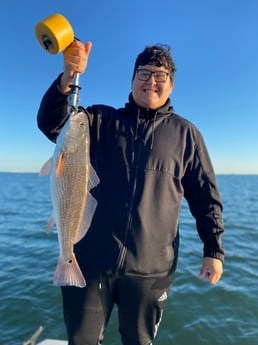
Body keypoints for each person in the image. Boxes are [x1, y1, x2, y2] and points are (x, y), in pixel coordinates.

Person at [37, 41, 224, 345]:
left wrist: (213, 249)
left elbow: (205, 198)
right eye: (144, 73)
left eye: (160, 76)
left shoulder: (186, 135)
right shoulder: (98, 121)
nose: (151, 81)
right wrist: (68, 77)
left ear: (171, 85)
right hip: (89, 262)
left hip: (150, 272)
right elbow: (51, 122)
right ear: (132, 79)